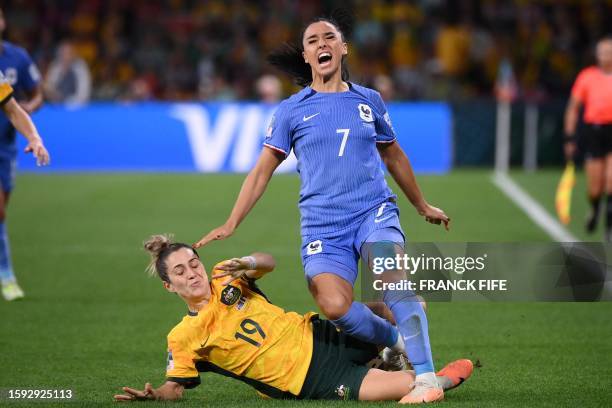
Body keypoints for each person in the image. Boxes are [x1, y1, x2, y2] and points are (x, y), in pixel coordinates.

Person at [193, 13, 450, 403]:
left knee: (390, 275)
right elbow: (262, 171)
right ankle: (396, 340)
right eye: (312, 41)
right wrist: (231, 222)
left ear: (343, 48)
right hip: (322, 227)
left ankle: (427, 379)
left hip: (373, 212)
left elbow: (394, 155)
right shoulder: (291, 111)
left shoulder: (369, 101)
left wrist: (421, 204)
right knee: (334, 305)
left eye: (329, 37)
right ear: (307, 56)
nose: (321, 44)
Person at [114, 235, 472, 403]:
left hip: (319, 333)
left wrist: (249, 263)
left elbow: (268, 259)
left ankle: (391, 355)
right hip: (310, 379)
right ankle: (420, 373)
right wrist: (154, 396)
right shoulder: (184, 336)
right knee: (409, 387)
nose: (192, 273)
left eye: (193, 263)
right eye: (180, 271)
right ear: (168, 285)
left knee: (408, 305)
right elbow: (174, 388)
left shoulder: (226, 275)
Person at [0, 9, 50, 301]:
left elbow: (13, 109)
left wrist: (34, 137)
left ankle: (5, 273)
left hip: (3, 146)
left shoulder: (16, 58)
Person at [564, 35, 612, 240]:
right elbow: (573, 108)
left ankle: (609, 229)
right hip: (594, 132)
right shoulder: (587, 76)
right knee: (595, 187)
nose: (605, 55)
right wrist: (569, 137)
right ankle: (595, 208)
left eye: (608, 51)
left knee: (611, 183)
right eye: (601, 51)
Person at [44, 41, 91, 105]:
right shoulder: (56, 66)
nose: (66, 56)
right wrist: (55, 96)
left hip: (76, 106)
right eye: (63, 53)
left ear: (73, 54)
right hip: (57, 105)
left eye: (68, 53)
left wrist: (70, 102)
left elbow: (84, 93)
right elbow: (49, 87)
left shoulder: (80, 67)